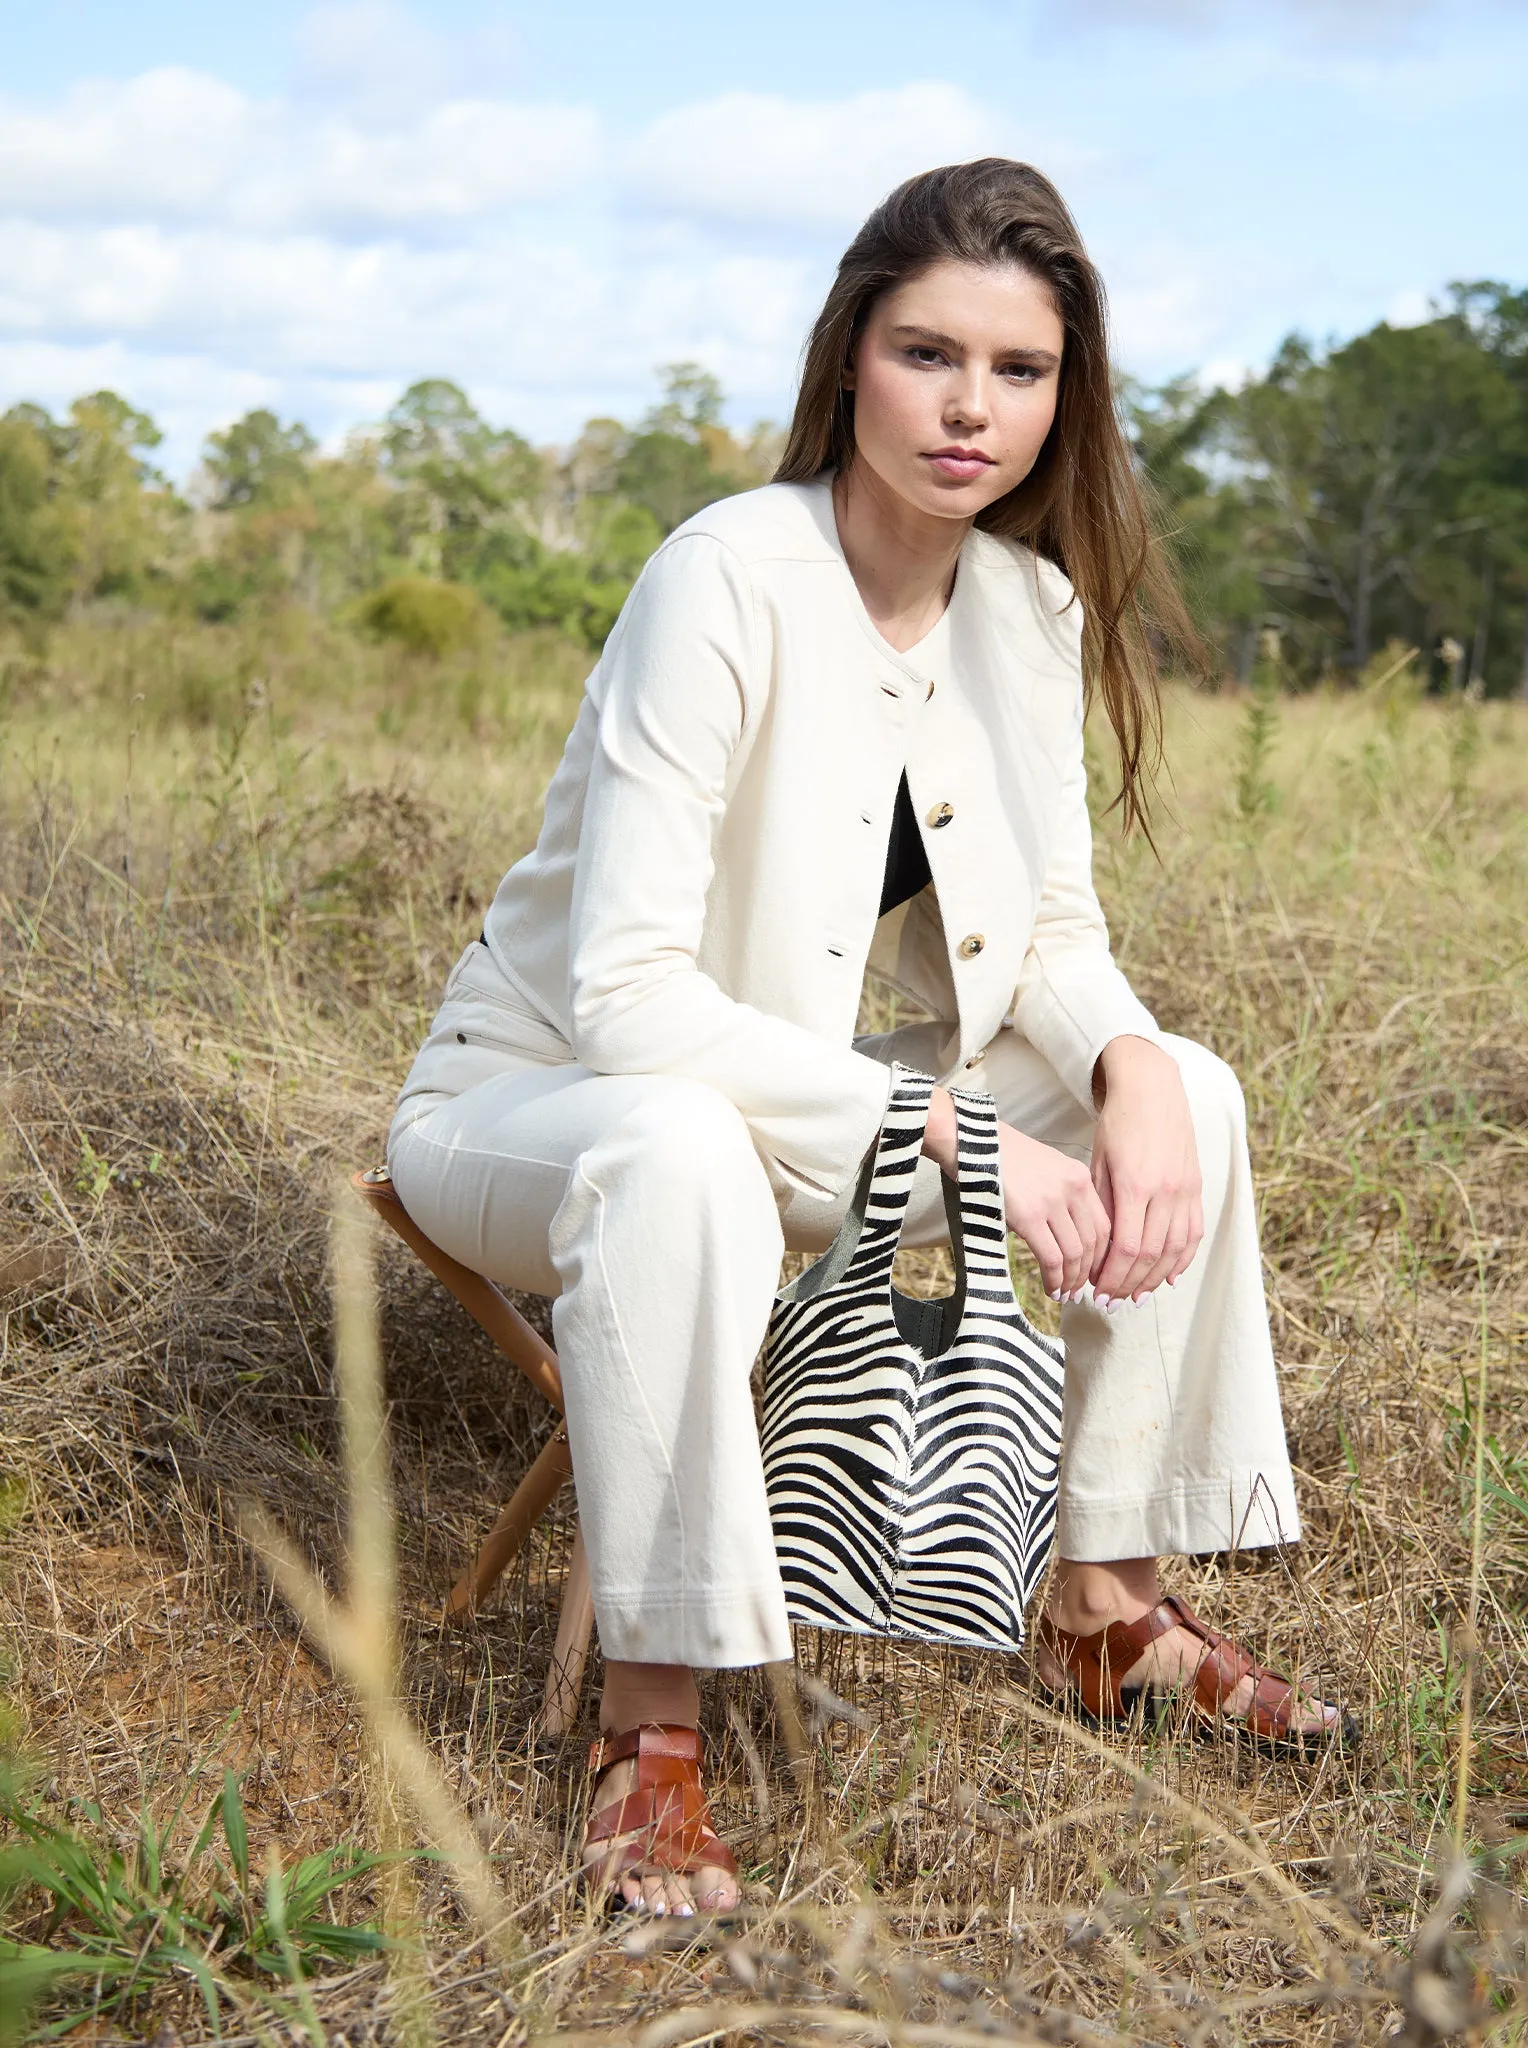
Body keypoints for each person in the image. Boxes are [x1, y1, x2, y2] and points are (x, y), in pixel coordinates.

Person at [388, 157, 1351, 1919]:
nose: (973, 407)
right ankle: (650, 1728)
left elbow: (1049, 935)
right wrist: (951, 1138)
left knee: (1188, 1091)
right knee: (677, 1149)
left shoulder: (1028, 608)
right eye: (929, 355)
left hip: (787, 1111)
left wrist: (1125, 1068)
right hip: (550, 1104)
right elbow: (625, 1001)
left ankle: (1104, 1605)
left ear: (1066, 396)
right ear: (850, 361)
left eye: (1020, 369)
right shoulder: (724, 578)